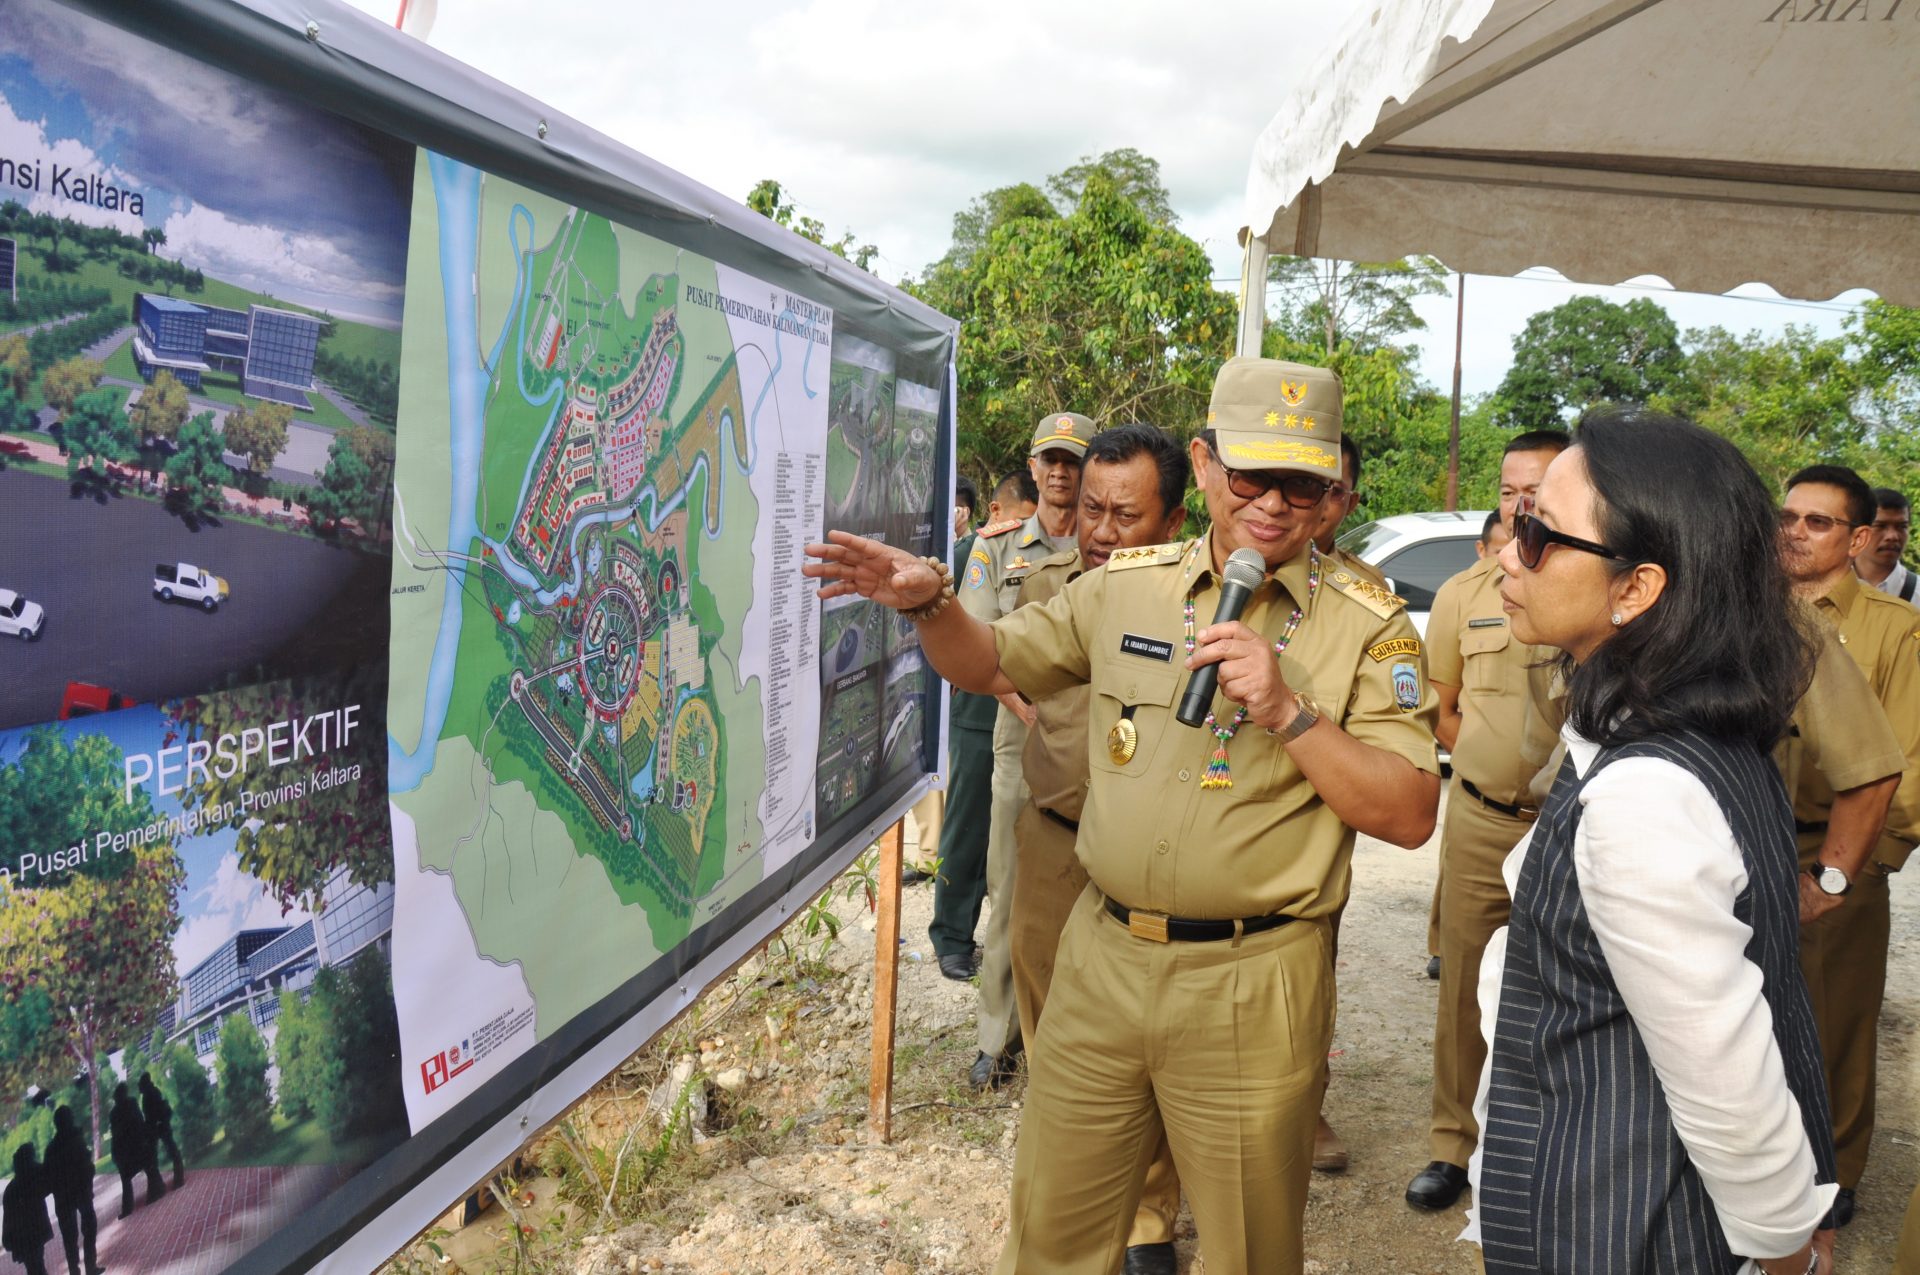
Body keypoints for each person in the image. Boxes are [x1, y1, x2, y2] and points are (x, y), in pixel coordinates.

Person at [807, 356, 1441, 1274]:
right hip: (1102, 957)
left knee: (1248, 1251)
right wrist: (932, 600)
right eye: (1254, 474)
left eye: (1304, 482)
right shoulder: (1123, 585)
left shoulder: (1371, 624)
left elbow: (1413, 811)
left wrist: (1292, 712)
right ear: (1208, 461)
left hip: (1251, 979)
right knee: (1054, 1231)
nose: (1274, 503)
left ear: (1332, 485)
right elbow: (990, 661)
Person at [1467, 408, 1836, 1275]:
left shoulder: (1646, 792)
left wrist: (1785, 1247)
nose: (1507, 554)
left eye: (1538, 534)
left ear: (1635, 590)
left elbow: (1725, 1077)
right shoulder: (1694, 739)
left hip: (1622, 1227)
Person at [1005, 423, 1190, 1275]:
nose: (1104, 531)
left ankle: (1149, 1218)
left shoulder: (1198, 603)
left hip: (1146, 859)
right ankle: (1077, 1205)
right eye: (1090, 510)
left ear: (1175, 519)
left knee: (1145, 1050)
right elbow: (1000, 663)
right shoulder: (1043, 583)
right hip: (1053, 836)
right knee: (1055, 1029)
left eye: (1125, 514)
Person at [1407, 428, 1570, 1211]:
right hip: (1480, 823)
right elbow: (1439, 710)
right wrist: (1484, 760)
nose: (1520, 503)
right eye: (1509, 490)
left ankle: (1546, 1142)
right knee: (1466, 986)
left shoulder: (1590, 588)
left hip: (1572, 829)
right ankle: (1452, 1144)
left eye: (1537, 489)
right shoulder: (1462, 595)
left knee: (1569, 988)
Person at [1778, 463, 1920, 1226]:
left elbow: (1910, 763)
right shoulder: (1744, 613)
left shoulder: (1893, 630)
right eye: (1788, 515)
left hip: (1840, 852)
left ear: (1860, 538)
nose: (1793, 531)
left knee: (1836, 1023)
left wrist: (1858, 869)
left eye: (1817, 521)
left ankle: (1833, 1170)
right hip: (1748, 842)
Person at [956, 413, 1087, 1090]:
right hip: (1024, 742)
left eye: (1073, 460)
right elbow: (980, 639)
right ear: (1032, 469)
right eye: (1049, 460)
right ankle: (996, 1035)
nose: (1061, 471)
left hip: (1101, 751)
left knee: (1093, 898)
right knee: (1009, 891)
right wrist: (1026, 705)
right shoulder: (999, 547)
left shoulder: (1115, 542)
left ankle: (1064, 1038)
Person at [930, 474, 1037, 982]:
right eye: (1017, 517)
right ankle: (951, 935)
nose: (1024, 528)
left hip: (1039, 717)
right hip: (978, 709)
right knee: (968, 826)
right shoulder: (973, 550)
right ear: (996, 511)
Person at [1304, 432, 1375, 1176]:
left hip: (1312, 826)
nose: (1314, 504)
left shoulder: (1365, 599)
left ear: (1346, 503)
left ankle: (1306, 1100)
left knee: (1306, 975)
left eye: (1329, 492)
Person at [905, 476, 984, 887]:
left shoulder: (976, 550)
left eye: (952, 506)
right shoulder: (932, 548)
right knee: (928, 759)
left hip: (958, 668)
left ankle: (944, 854)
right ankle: (928, 854)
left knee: (953, 763)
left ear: (965, 510)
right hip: (925, 667)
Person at [44, 1105, 101, 1275]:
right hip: (81, 1192)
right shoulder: (77, 1139)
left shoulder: (51, 1149)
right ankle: (90, 1266)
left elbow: (48, 1177)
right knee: (89, 1228)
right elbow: (87, 1167)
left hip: (63, 1199)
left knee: (70, 1238)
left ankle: (75, 1271)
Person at [109, 1082, 162, 1218]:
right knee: (148, 1168)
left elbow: (118, 1133)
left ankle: (131, 1206)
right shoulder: (128, 1106)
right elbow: (137, 1122)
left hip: (130, 1149)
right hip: (133, 1147)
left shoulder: (117, 1111)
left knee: (134, 1176)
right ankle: (154, 1192)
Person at [1855, 486, 1916, 601]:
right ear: (1858, 530)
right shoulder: (1826, 588)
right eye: (1880, 526)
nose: (1892, 536)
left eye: (1901, 527)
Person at [3, 1143, 53, 1275]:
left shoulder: (12, 1188)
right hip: (32, 1233)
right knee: (37, 1267)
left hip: (22, 1237)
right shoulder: (31, 1179)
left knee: (34, 1267)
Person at [139, 1073, 183, 1189]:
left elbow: (151, 1114)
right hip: (160, 1125)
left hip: (158, 1126)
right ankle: (178, 1178)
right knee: (170, 1149)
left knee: (166, 1151)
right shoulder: (153, 1091)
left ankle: (175, 1179)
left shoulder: (149, 1094)